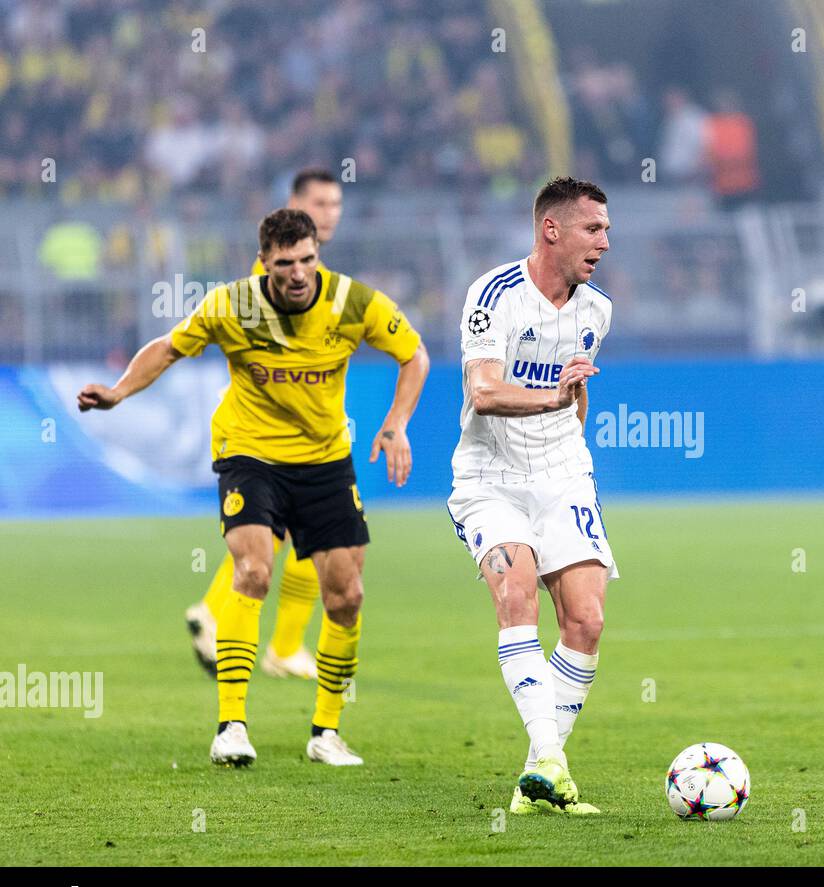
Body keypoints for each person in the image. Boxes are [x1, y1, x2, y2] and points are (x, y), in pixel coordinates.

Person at [78, 209, 429, 767]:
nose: (298, 274)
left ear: (318, 256)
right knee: (254, 571)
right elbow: (168, 347)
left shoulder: (353, 303)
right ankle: (231, 727)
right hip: (250, 454)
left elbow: (414, 355)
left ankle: (326, 734)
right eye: (285, 263)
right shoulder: (233, 305)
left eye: (308, 260)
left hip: (324, 460)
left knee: (347, 596)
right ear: (264, 262)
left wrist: (396, 425)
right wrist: (120, 392)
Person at [447, 176, 614, 814]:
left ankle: (540, 774)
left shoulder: (597, 310)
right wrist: (552, 397)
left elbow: (576, 394)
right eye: (593, 228)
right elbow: (483, 392)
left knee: (587, 620)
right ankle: (550, 760)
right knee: (516, 594)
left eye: (606, 229)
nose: (605, 240)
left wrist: (569, 429)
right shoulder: (493, 296)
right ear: (553, 230)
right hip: (490, 476)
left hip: (562, 471)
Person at [186, 167, 346, 681]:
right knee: (291, 529)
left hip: (294, 419)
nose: (330, 214)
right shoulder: (277, 264)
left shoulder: (308, 266)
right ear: (297, 203)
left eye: (336, 204)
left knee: (277, 533)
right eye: (320, 203)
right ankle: (267, 638)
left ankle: (239, 623)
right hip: (266, 421)